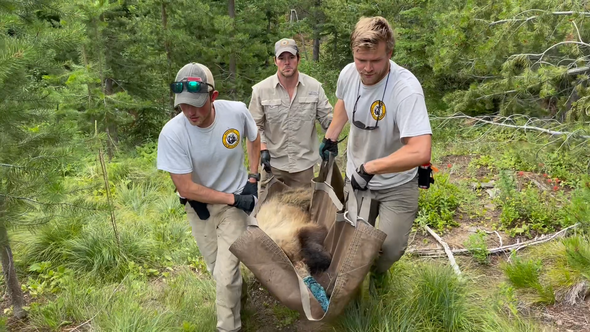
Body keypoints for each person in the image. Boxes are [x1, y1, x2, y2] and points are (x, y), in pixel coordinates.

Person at [321, 16, 433, 280]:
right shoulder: (349, 74)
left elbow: (420, 151)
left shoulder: (405, 90)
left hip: (397, 183)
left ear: (390, 53)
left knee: (392, 248)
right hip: (357, 181)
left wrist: (371, 167)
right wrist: (331, 137)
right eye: (361, 60)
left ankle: (375, 276)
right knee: (354, 243)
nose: (367, 69)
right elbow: (343, 104)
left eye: (376, 61)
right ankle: (356, 286)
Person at [157, 62, 260, 332]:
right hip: (201, 208)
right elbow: (186, 188)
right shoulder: (173, 133)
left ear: (213, 97)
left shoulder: (236, 111)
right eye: (184, 105)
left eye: (197, 104)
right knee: (219, 271)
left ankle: (229, 327)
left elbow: (254, 138)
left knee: (225, 277)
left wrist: (253, 178)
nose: (190, 112)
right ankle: (240, 298)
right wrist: (232, 199)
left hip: (234, 205)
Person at [248, 38, 333, 190]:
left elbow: (329, 120)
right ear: (275, 61)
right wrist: (263, 149)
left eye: (291, 57)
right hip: (272, 166)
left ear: (298, 59)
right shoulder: (261, 90)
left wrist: (330, 140)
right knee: (267, 212)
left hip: (304, 167)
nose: (287, 62)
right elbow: (254, 126)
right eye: (282, 58)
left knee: (304, 212)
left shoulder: (315, 87)